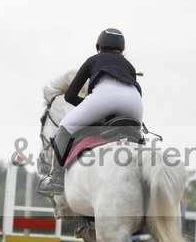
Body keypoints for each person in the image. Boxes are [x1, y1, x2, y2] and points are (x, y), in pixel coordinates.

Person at [37, 28, 143, 196]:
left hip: (104, 96)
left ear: (99, 47)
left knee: (65, 126)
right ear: (122, 49)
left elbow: (70, 96)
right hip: (134, 101)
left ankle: (56, 178)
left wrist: (91, 108)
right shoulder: (129, 66)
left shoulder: (93, 60)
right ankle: (143, 175)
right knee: (138, 136)